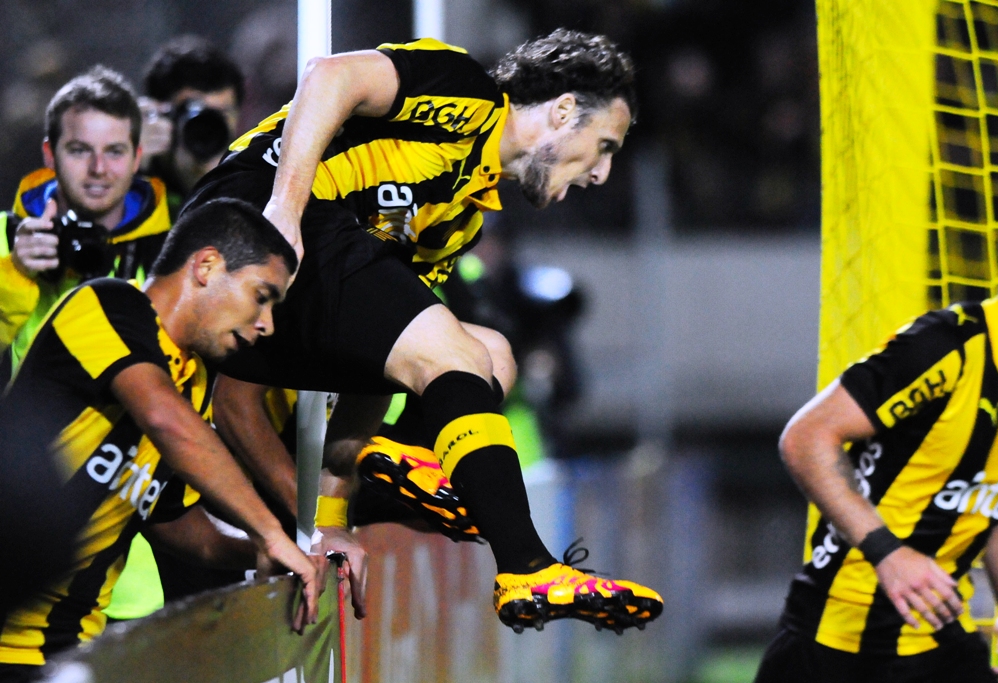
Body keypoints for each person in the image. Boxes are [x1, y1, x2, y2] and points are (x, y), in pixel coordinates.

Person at [183, 28, 663, 633]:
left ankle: (389, 478)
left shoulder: (461, 221)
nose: (602, 173)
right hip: (251, 222)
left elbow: (383, 352)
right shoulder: (466, 93)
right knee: (455, 351)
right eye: (604, 146)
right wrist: (285, 207)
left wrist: (331, 518)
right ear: (564, 111)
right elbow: (330, 74)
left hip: (287, 302)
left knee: (489, 353)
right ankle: (527, 564)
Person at [0, 198, 323, 682]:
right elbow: (163, 419)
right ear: (207, 266)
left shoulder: (192, 384)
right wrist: (272, 533)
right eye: (262, 296)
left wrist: (254, 555)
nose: (267, 324)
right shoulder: (109, 304)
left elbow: (170, 520)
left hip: (72, 644)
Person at [753, 213, 998, 682]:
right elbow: (806, 436)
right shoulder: (947, 347)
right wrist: (888, 553)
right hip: (834, 635)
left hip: (936, 634)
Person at [0, 66, 171, 384]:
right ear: (50, 154)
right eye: (79, 150)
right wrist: (14, 275)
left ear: (137, 157)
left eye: (114, 152)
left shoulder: (171, 251)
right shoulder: (3, 239)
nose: (98, 169)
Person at [138, 35, 245, 218]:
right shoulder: (132, 189)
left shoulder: (256, 187)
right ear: (161, 115)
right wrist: (129, 165)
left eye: (221, 115)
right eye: (196, 114)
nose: (208, 126)